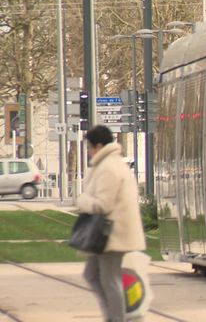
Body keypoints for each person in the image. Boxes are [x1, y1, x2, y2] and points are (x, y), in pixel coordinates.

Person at [77, 124, 146, 322]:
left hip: (111, 234)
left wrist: (82, 201)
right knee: (93, 274)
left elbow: (103, 204)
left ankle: (117, 318)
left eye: (89, 147)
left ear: (98, 146)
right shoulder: (110, 164)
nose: (89, 152)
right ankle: (114, 316)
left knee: (110, 279)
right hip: (107, 234)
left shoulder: (108, 167)